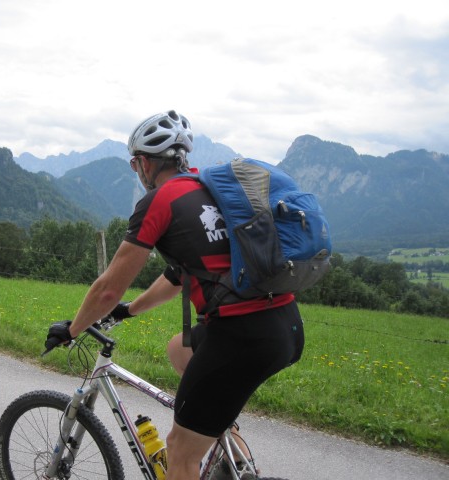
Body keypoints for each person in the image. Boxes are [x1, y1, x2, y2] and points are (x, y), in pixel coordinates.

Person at [45, 110, 305, 479]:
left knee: (180, 452)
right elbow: (177, 277)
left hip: (240, 335)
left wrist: (72, 330)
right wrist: (128, 311)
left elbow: (108, 289)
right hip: (285, 325)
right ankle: (235, 462)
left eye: (135, 163)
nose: (136, 170)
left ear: (145, 163)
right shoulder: (209, 189)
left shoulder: (160, 200)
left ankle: (212, 452)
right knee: (179, 349)